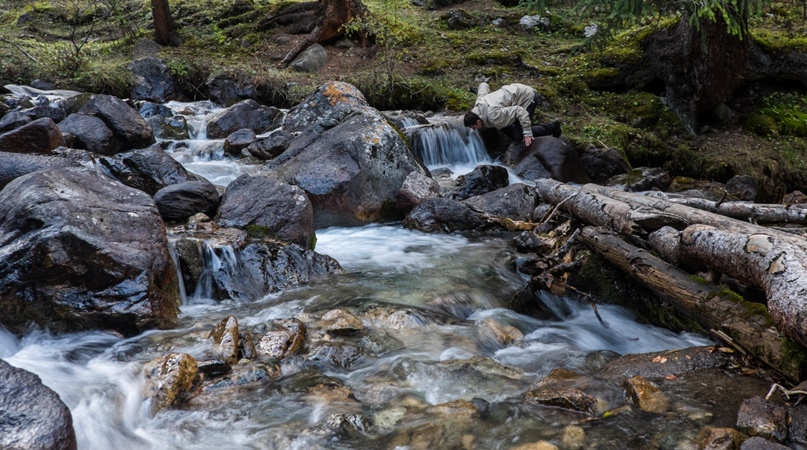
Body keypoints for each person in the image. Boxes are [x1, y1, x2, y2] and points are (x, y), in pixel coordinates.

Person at [463, 82, 561, 146]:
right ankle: (523, 125)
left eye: (474, 127)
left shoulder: (493, 116)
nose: (474, 129)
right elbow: (483, 87)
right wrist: (480, 85)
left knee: (518, 136)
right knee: (502, 126)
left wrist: (527, 133)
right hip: (514, 92)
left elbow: (520, 111)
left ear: (478, 121)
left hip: (527, 98)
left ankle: (552, 127)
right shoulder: (479, 104)